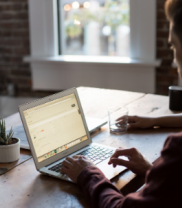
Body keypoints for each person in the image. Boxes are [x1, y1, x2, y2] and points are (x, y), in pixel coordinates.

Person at [60, 0, 182, 207]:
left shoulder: (178, 151)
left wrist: (88, 174)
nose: (174, 60)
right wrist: (152, 171)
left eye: (173, 46)